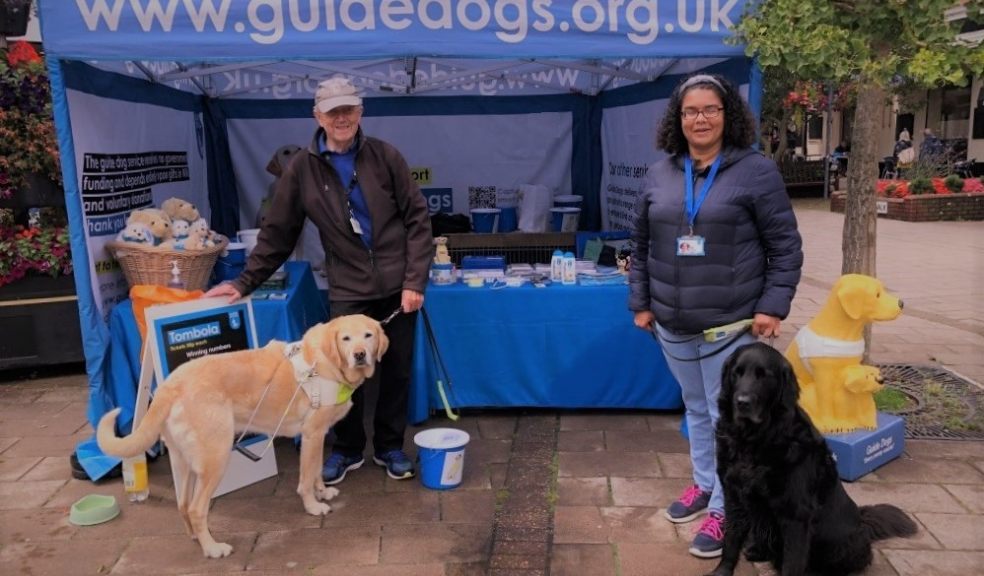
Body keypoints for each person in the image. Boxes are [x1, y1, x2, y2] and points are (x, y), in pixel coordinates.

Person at [205, 76, 434, 485]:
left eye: (349, 108)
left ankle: (389, 447)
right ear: (318, 116)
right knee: (339, 377)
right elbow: (278, 233)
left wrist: (414, 280)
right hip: (347, 289)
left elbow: (418, 221)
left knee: (396, 371)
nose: (342, 117)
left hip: (399, 288)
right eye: (333, 111)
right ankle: (346, 450)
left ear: (360, 112)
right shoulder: (302, 170)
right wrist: (243, 283)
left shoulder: (386, 157)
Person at [628, 73, 803, 559]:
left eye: (710, 109)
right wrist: (641, 303)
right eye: (690, 111)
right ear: (677, 119)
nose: (700, 119)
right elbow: (640, 246)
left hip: (731, 325)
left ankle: (729, 508)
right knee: (697, 409)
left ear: (728, 115)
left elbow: (785, 246)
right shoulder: (660, 172)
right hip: (672, 323)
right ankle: (705, 484)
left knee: (731, 418)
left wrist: (772, 305)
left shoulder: (756, 171)